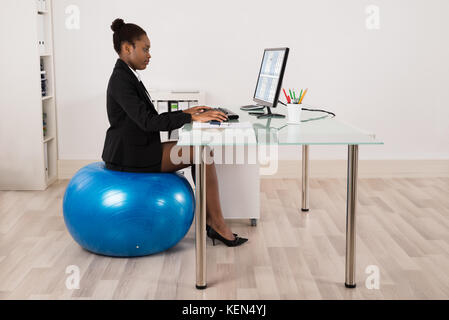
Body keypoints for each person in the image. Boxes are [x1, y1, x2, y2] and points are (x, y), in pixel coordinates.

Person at [102, 18, 247, 247]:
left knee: (203, 151)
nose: (149, 55)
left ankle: (213, 221)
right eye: (145, 49)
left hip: (139, 149)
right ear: (128, 48)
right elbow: (148, 122)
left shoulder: (127, 75)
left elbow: (145, 119)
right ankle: (217, 224)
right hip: (130, 155)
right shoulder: (121, 79)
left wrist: (187, 112)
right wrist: (190, 117)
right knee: (202, 154)